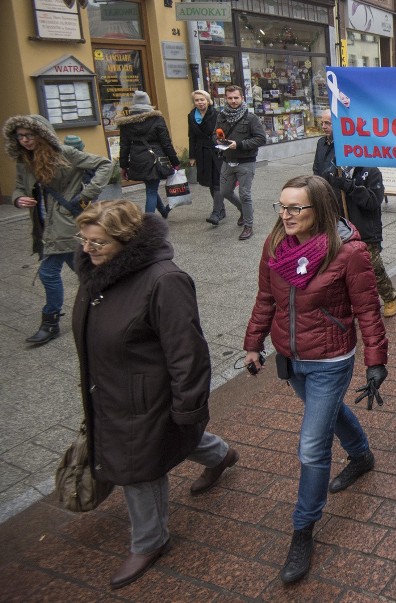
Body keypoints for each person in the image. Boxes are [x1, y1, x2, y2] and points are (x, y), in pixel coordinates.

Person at [71, 200, 238, 589]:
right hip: (112, 390)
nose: (87, 249)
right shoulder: (98, 273)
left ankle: (150, 541)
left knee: (139, 467)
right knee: (164, 441)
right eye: (84, 240)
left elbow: (188, 352)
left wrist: (189, 406)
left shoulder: (165, 281)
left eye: (98, 242)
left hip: (147, 398)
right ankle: (221, 454)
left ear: (126, 240)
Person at [243, 175, 388, 584]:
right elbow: (265, 299)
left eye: (295, 209)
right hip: (290, 356)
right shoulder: (275, 245)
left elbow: (368, 309)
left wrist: (376, 360)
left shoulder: (348, 252)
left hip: (330, 359)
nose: (286, 216)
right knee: (324, 416)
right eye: (282, 207)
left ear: (317, 209)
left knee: (311, 446)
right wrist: (254, 344)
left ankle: (302, 530)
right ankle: (361, 455)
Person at [4, 114, 112, 345]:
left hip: (65, 222)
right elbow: (19, 188)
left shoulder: (64, 154)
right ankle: (108, 301)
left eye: (29, 135)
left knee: (48, 272)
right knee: (84, 269)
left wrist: (84, 197)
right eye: (20, 136)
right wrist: (19, 199)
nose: (24, 140)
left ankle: (51, 321)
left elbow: (104, 164)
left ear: (41, 134)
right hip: (43, 224)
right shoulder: (24, 161)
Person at [313, 109, 396, 317]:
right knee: (340, 267)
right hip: (336, 221)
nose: (324, 127)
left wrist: (349, 186)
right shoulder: (323, 147)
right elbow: (317, 172)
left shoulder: (370, 170)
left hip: (364, 227)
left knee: (372, 267)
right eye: (322, 122)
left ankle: (389, 296)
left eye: (329, 123)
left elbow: (372, 201)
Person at [115, 91, 180, 218]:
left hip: (137, 158)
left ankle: (163, 212)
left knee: (151, 187)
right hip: (154, 158)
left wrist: (124, 165)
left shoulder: (126, 123)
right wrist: (175, 161)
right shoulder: (157, 119)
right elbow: (166, 143)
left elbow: (124, 146)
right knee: (151, 190)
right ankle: (148, 222)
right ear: (148, 102)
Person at [215, 85, 267, 240]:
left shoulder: (250, 118)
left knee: (245, 195)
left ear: (242, 98)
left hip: (246, 162)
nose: (233, 101)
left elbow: (261, 139)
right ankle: (243, 212)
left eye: (236, 98)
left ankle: (248, 225)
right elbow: (214, 134)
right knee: (224, 192)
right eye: (230, 98)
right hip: (227, 160)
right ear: (226, 99)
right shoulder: (221, 116)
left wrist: (239, 145)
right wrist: (218, 141)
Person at [187, 89, 225, 225]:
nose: (200, 102)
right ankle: (221, 209)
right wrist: (192, 156)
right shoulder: (191, 116)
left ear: (208, 100)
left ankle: (216, 212)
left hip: (216, 151)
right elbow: (191, 137)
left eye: (202, 99)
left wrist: (223, 146)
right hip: (202, 152)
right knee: (210, 182)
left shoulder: (217, 114)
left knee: (217, 183)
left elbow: (222, 133)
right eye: (197, 100)